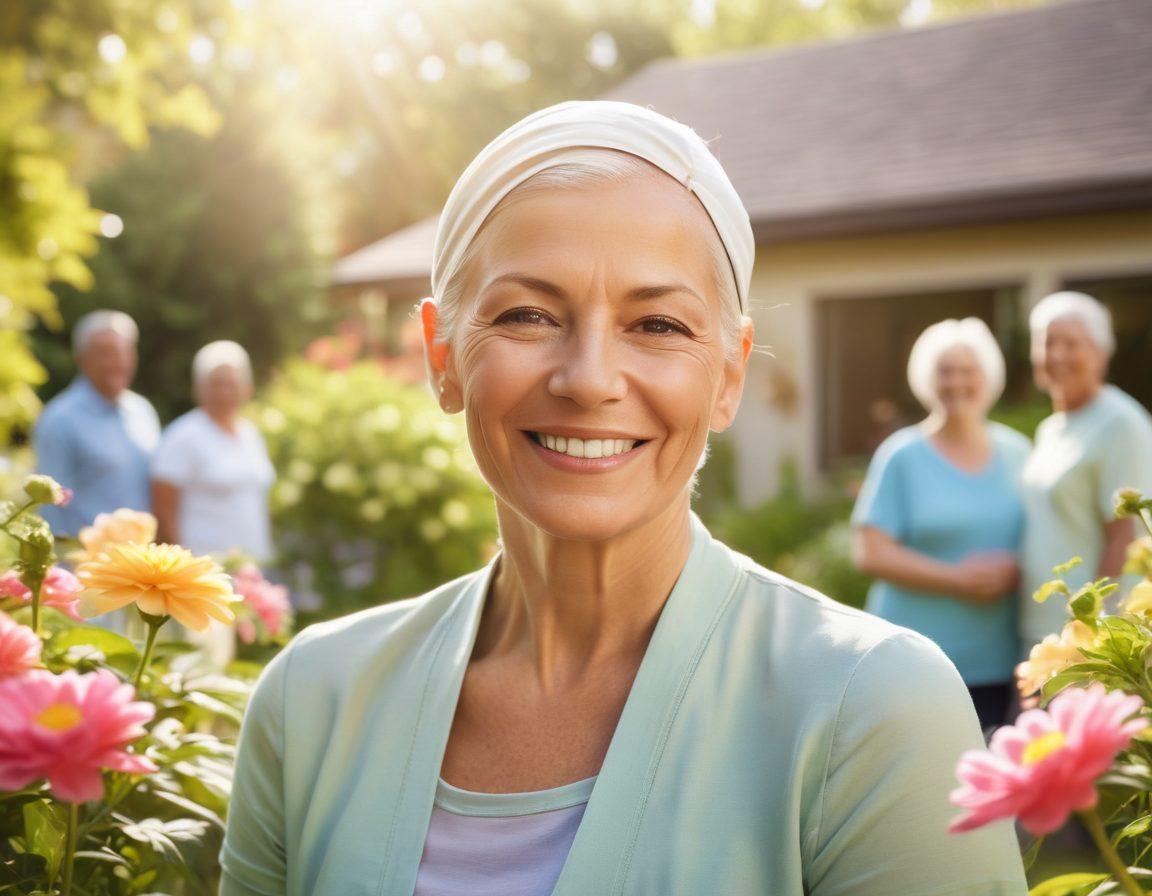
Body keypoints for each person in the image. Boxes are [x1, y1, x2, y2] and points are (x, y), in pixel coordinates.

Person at [221, 102, 1026, 896]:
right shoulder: (310, 703)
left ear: (730, 375)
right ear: (443, 358)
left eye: (659, 325)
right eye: (528, 315)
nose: (590, 379)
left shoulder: (874, 709)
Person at [851, 319, 1030, 730]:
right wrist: (958, 580)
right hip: (914, 659)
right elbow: (869, 552)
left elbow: (1039, 539)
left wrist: (1018, 569)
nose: (956, 382)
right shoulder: (902, 456)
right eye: (945, 371)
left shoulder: (1020, 453)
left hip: (997, 660)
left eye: (968, 371)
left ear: (989, 378)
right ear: (928, 380)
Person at [1020, 291, 1152, 650]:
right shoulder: (1051, 428)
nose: (1057, 355)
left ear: (1101, 352)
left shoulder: (1121, 423)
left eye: (1071, 343)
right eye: (1047, 343)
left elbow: (1127, 537)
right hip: (1038, 634)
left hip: (1084, 642)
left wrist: (1095, 634)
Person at [151, 341, 275, 668]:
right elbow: (163, 510)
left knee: (235, 663)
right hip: (203, 575)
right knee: (201, 663)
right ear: (199, 389)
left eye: (232, 383)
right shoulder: (184, 436)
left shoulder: (250, 434)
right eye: (216, 383)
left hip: (247, 574)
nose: (225, 391)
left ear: (246, 387)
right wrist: (179, 579)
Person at [35, 310, 160, 536]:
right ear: (81, 358)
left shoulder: (143, 411)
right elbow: (51, 507)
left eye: (125, 351)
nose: (119, 361)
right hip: (87, 565)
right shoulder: (59, 419)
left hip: (140, 562)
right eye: (106, 352)